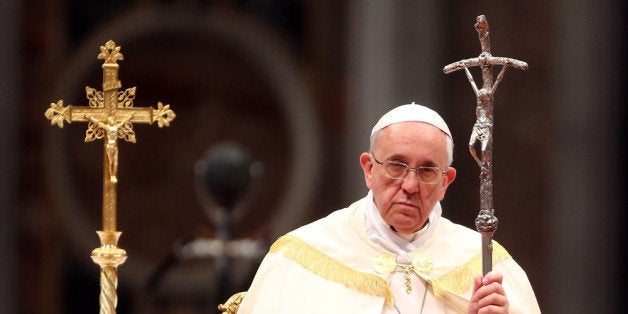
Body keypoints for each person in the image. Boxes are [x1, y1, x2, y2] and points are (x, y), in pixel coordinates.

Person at [235, 103, 540, 313]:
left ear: (446, 182)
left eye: (427, 171)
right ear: (369, 168)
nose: (410, 185)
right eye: (396, 165)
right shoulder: (300, 258)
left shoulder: (488, 266)